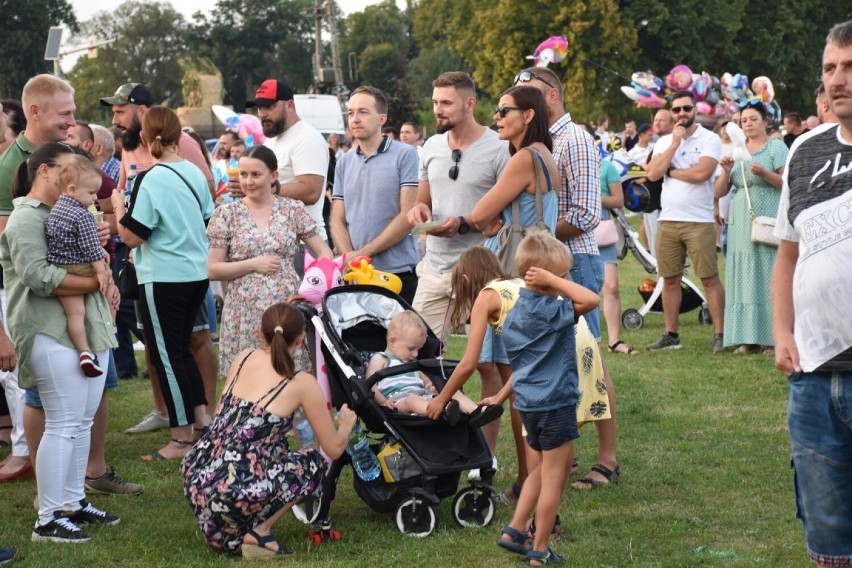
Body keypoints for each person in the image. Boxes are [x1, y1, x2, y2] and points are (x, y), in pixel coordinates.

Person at [0, 142, 120, 542]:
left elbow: (90, 256)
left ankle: (72, 502)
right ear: (46, 172)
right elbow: (38, 277)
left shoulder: (68, 211)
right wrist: (95, 284)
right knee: (64, 422)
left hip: (83, 328)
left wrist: (105, 280)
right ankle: (47, 518)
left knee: (81, 421)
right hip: (48, 330)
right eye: (67, 166)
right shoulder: (24, 219)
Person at [182, 302, 358, 557]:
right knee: (313, 464)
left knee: (266, 450)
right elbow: (334, 447)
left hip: (199, 479)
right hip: (232, 489)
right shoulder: (302, 383)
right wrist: (345, 425)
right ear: (301, 339)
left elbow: (230, 425)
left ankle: (230, 526)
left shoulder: (243, 358)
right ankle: (259, 533)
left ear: (259, 333)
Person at [515, 66, 620, 490]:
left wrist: (531, 232)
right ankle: (564, 453)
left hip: (574, 262)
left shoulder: (573, 138)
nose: (522, 106)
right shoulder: (540, 141)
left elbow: (586, 215)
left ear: (552, 95)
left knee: (589, 360)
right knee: (560, 364)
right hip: (551, 263)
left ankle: (608, 459)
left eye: (530, 96)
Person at [772, 20, 852, 567]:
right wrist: (781, 333)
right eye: (830, 69)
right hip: (813, 374)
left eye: (850, 66)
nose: (839, 79)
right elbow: (787, 254)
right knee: (825, 530)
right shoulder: (804, 151)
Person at [405, 71, 510, 471]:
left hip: (480, 272)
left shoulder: (498, 148)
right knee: (413, 354)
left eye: (445, 103)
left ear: (469, 104)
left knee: (487, 365)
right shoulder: (430, 145)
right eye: (434, 102)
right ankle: (426, 449)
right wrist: (420, 212)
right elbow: (422, 200)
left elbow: (501, 213)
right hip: (434, 268)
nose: (437, 110)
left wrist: (466, 222)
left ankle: (485, 458)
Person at [101, 82, 218, 435]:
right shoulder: (194, 172)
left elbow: (132, 235)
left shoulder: (152, 178)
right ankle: (202, 421)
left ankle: (181, 436)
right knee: (181, 353)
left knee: (168, 358)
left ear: (148, 134)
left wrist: (121, 206)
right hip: (196, 273)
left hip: (163, 276)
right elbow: (209, 218)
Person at [496, 232, 599, 567]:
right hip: (555, 404)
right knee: (556, 477)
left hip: (528, 404)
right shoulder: (551, 313)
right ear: (547, 278)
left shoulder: (516, 313)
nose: (566, 280)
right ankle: (539, 548)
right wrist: (556, 279)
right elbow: (591, 299)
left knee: (539, 471)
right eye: (562, 275)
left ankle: (514, 529)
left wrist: (550, 278)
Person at [0, 74, 77, 483]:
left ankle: (82, 479)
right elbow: (14, 246)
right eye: (65, 113)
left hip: (70, 289)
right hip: (34, 294)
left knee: (84, 390)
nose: (71, 121)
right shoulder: (9, 166)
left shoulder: (68, 152)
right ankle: (47, 488)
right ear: (35, 112)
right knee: (37, 393)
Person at [207, 144, 333, 376]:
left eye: (256, 174)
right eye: (243, 174)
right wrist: (252, 264)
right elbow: (213, 269)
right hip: (243, 312)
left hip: (285, 306)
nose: (248, 181)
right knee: (248, 378)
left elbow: (325, 253)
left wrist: (310, 288)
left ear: (273, 176)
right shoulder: (227, 214)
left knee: (290, 376)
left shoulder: (292, 209)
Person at [644, 90, 725, 353]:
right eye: (676, 110)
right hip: (668, 219)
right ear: (671, 113)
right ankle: (671, 334)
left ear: (695, 110)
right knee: (669, 279)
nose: (681, 114)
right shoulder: (665, 141)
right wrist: (675, 145)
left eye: (686, 109)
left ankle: (720, 334)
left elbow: (703, 173)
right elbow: (654, 174)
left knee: (709, 278)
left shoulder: (710, 139)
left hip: (699, 220)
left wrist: (673, 171)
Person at [331, 86, 420, 304]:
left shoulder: (405, 155)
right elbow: (337, 218)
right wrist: (350, 257)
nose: (355, 119)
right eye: (351, 113)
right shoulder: (344, 161)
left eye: (363, 112)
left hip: (396, 274)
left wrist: (364, 253)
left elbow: (407, 214)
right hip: (355, 275)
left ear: (382, 118)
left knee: (400, 338)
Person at [714, 100, 787, 355]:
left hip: (768, 217)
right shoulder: (736, 150)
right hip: (741, 220)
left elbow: (787, 183)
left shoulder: (776, 147)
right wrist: (725, 172)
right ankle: (746, 336)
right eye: (743, 120)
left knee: (769, 274)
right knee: (744, 276)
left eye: (753, 119)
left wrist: (765, 174)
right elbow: (719, 191)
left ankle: (771, 337)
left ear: (765, 121)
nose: (748, 124)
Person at [367, 310, 502, 425]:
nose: (415, 354)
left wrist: (429, 383)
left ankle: (476, 411)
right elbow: (370, 384)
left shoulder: (411, 361)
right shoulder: (381, 358)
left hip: (424, 395)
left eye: (418, 349)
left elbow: (425, 377)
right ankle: (444, 410)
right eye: (411, 349)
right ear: (392, 341)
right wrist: (384, 402)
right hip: (399, 400)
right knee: (412, 401)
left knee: (451, 391)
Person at [45, 154, 111, 375]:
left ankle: (84, 352)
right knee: (104, 301)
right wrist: (102, 271)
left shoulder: (55, 209)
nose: (94, 198)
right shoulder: (82, 214)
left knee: (75, 314)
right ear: (72, 189)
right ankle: (101, 346)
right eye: (91, 193)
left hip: (61, 267)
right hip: (82, 267)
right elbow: (91, 247)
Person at [242, 79, 328, 241]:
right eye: (259, 107)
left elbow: (311, 191)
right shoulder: (271, 141)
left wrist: (263, 189)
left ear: (289, 105)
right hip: (277, 243)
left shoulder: (307, 137)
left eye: (269, 106)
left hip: (305, 244)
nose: (262, 113)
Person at [598, 159, 635, 355]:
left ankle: (614, 340)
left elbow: (618, 200)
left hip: (601, 233)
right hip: (573, 230)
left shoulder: (606, 167)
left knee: (611, 287)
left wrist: (595, 196)